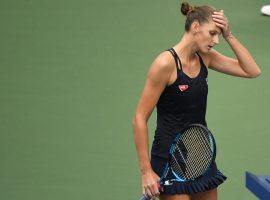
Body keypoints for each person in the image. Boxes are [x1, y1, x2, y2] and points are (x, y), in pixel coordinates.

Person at [132, 2, 261, 200]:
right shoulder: (165, 64)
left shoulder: (205, 57)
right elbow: (139, 118)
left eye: (219, 34)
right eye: (213, 33)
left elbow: (252, 71)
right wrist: (146, 171)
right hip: (169, 157)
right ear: (195, 27)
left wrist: (229, 35)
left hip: (200, 155)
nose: (216, 40)